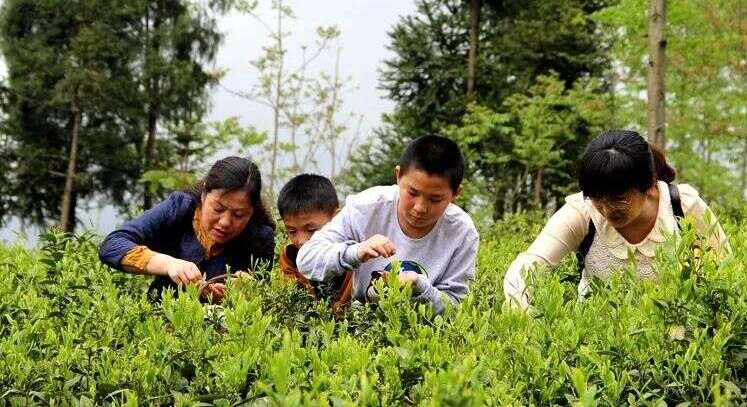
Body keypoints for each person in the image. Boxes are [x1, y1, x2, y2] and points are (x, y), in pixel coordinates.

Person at [504, 129, 730, 309]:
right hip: (598, 340)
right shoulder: (582, 212)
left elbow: (726, 269)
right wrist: (523, 316)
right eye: (597, 198)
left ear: (650, 186)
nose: (606, 209)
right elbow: (527, 267)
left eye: (619, 199)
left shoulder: (683, 205)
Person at [296, 135, 479, 315]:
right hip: (362, 326)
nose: (420, 208)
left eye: (436, 199)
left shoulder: (462, 232)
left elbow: (455, 307)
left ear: (456, 193)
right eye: (412, 192)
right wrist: (356, 252)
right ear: (398, 176)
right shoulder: (365, 208)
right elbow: (307, 260)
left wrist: (420, 287)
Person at [99, 156, 276, 301]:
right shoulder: (179, 208)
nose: (225, 222)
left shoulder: (260, 238)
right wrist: (169, 264)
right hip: (157, 319)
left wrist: (248, 290)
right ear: (204, 193)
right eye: (218, 209)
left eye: (238, 214)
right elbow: (112, 245)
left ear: (252, 211)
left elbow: (269, 297)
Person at [276, 173, 352, 310]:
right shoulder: (290, 255)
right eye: (292, 231)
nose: (301, 241)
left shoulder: (358, 253)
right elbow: (284, 301)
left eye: (311, 230)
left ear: (337, 218)